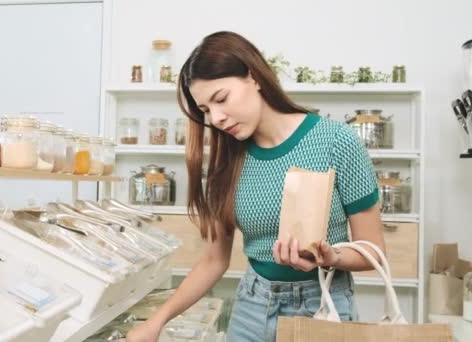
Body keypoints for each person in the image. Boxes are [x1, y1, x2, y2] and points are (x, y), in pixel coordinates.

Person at [126, 31, 385, 342]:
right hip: (252, 306)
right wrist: (156, 321)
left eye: (221, 98)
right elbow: (213, 261)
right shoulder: (228, 160)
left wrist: (332, 257)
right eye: (206, 110)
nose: (217, 118)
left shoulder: (335, 142)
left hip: (322, 305)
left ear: (254, 77)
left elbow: (373, 252)